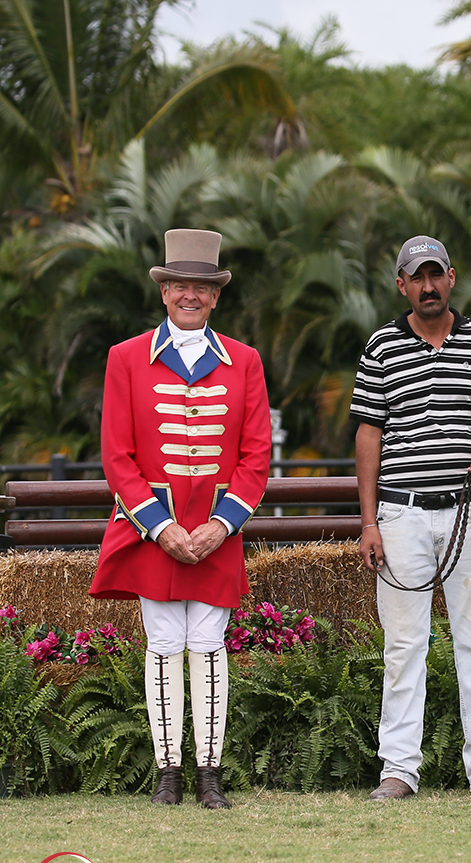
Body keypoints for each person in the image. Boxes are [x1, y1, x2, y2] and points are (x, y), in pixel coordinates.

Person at [89, 229, 271, 809]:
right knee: (164, 643)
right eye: (179, 285)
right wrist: (161, 527)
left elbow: (256, 454)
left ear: (216, 296)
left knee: (209, 642)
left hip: (218, 530)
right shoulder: (125, 357)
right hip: (154, 530)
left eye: (201, 287)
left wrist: (221, 525)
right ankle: (168, 773)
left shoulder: (244, 361)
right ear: (164, 292)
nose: (189, 295)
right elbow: (117, 455)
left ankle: (209, 775)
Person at [352, 234, 471, 800]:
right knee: (404, 645)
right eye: (416, 277)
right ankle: (398, 771)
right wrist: (368, 521)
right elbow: (367, 433)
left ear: (452, 277)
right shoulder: (381, 346)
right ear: (401, 285)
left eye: (436, 275)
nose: (427, 286)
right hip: (400, 514)